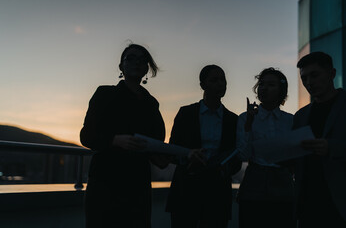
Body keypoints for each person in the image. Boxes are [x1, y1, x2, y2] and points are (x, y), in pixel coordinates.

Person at [80, 43, 166, 228]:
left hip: (138, 185)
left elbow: (158, 142)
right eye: (131, 58)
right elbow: (86, 136)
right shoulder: (104, 94)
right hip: (105, 183)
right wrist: (114, 140)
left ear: (147, 68)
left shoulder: (151, 103)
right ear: (121, 66)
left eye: (142, 60)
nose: (137, 63)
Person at [166, 65, 241, 228]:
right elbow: (173, 149)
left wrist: (225, 168)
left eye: (223, 79)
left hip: (218, 192)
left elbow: (237, 158)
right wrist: (188, 157)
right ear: (202, 85)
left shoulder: (233, 120)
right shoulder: (186, 113)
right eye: (214, 80)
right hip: (186, 189)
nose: (221, 83)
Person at [293, 51, 346, 227]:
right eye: (304, 78)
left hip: (345, 207)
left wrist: (332, 148)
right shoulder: (300, 116)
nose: (309, 83)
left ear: (331, 74)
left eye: (314, 75)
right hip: (308, 206)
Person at [236, 67, 296, 228]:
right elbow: (242, 155)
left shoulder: (290, 120)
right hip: (254, 182)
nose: (264, 88)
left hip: (283, 183)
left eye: (271, 85)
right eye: (261, 84)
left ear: (281, 90)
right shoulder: (244, 118)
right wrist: (248, 125)